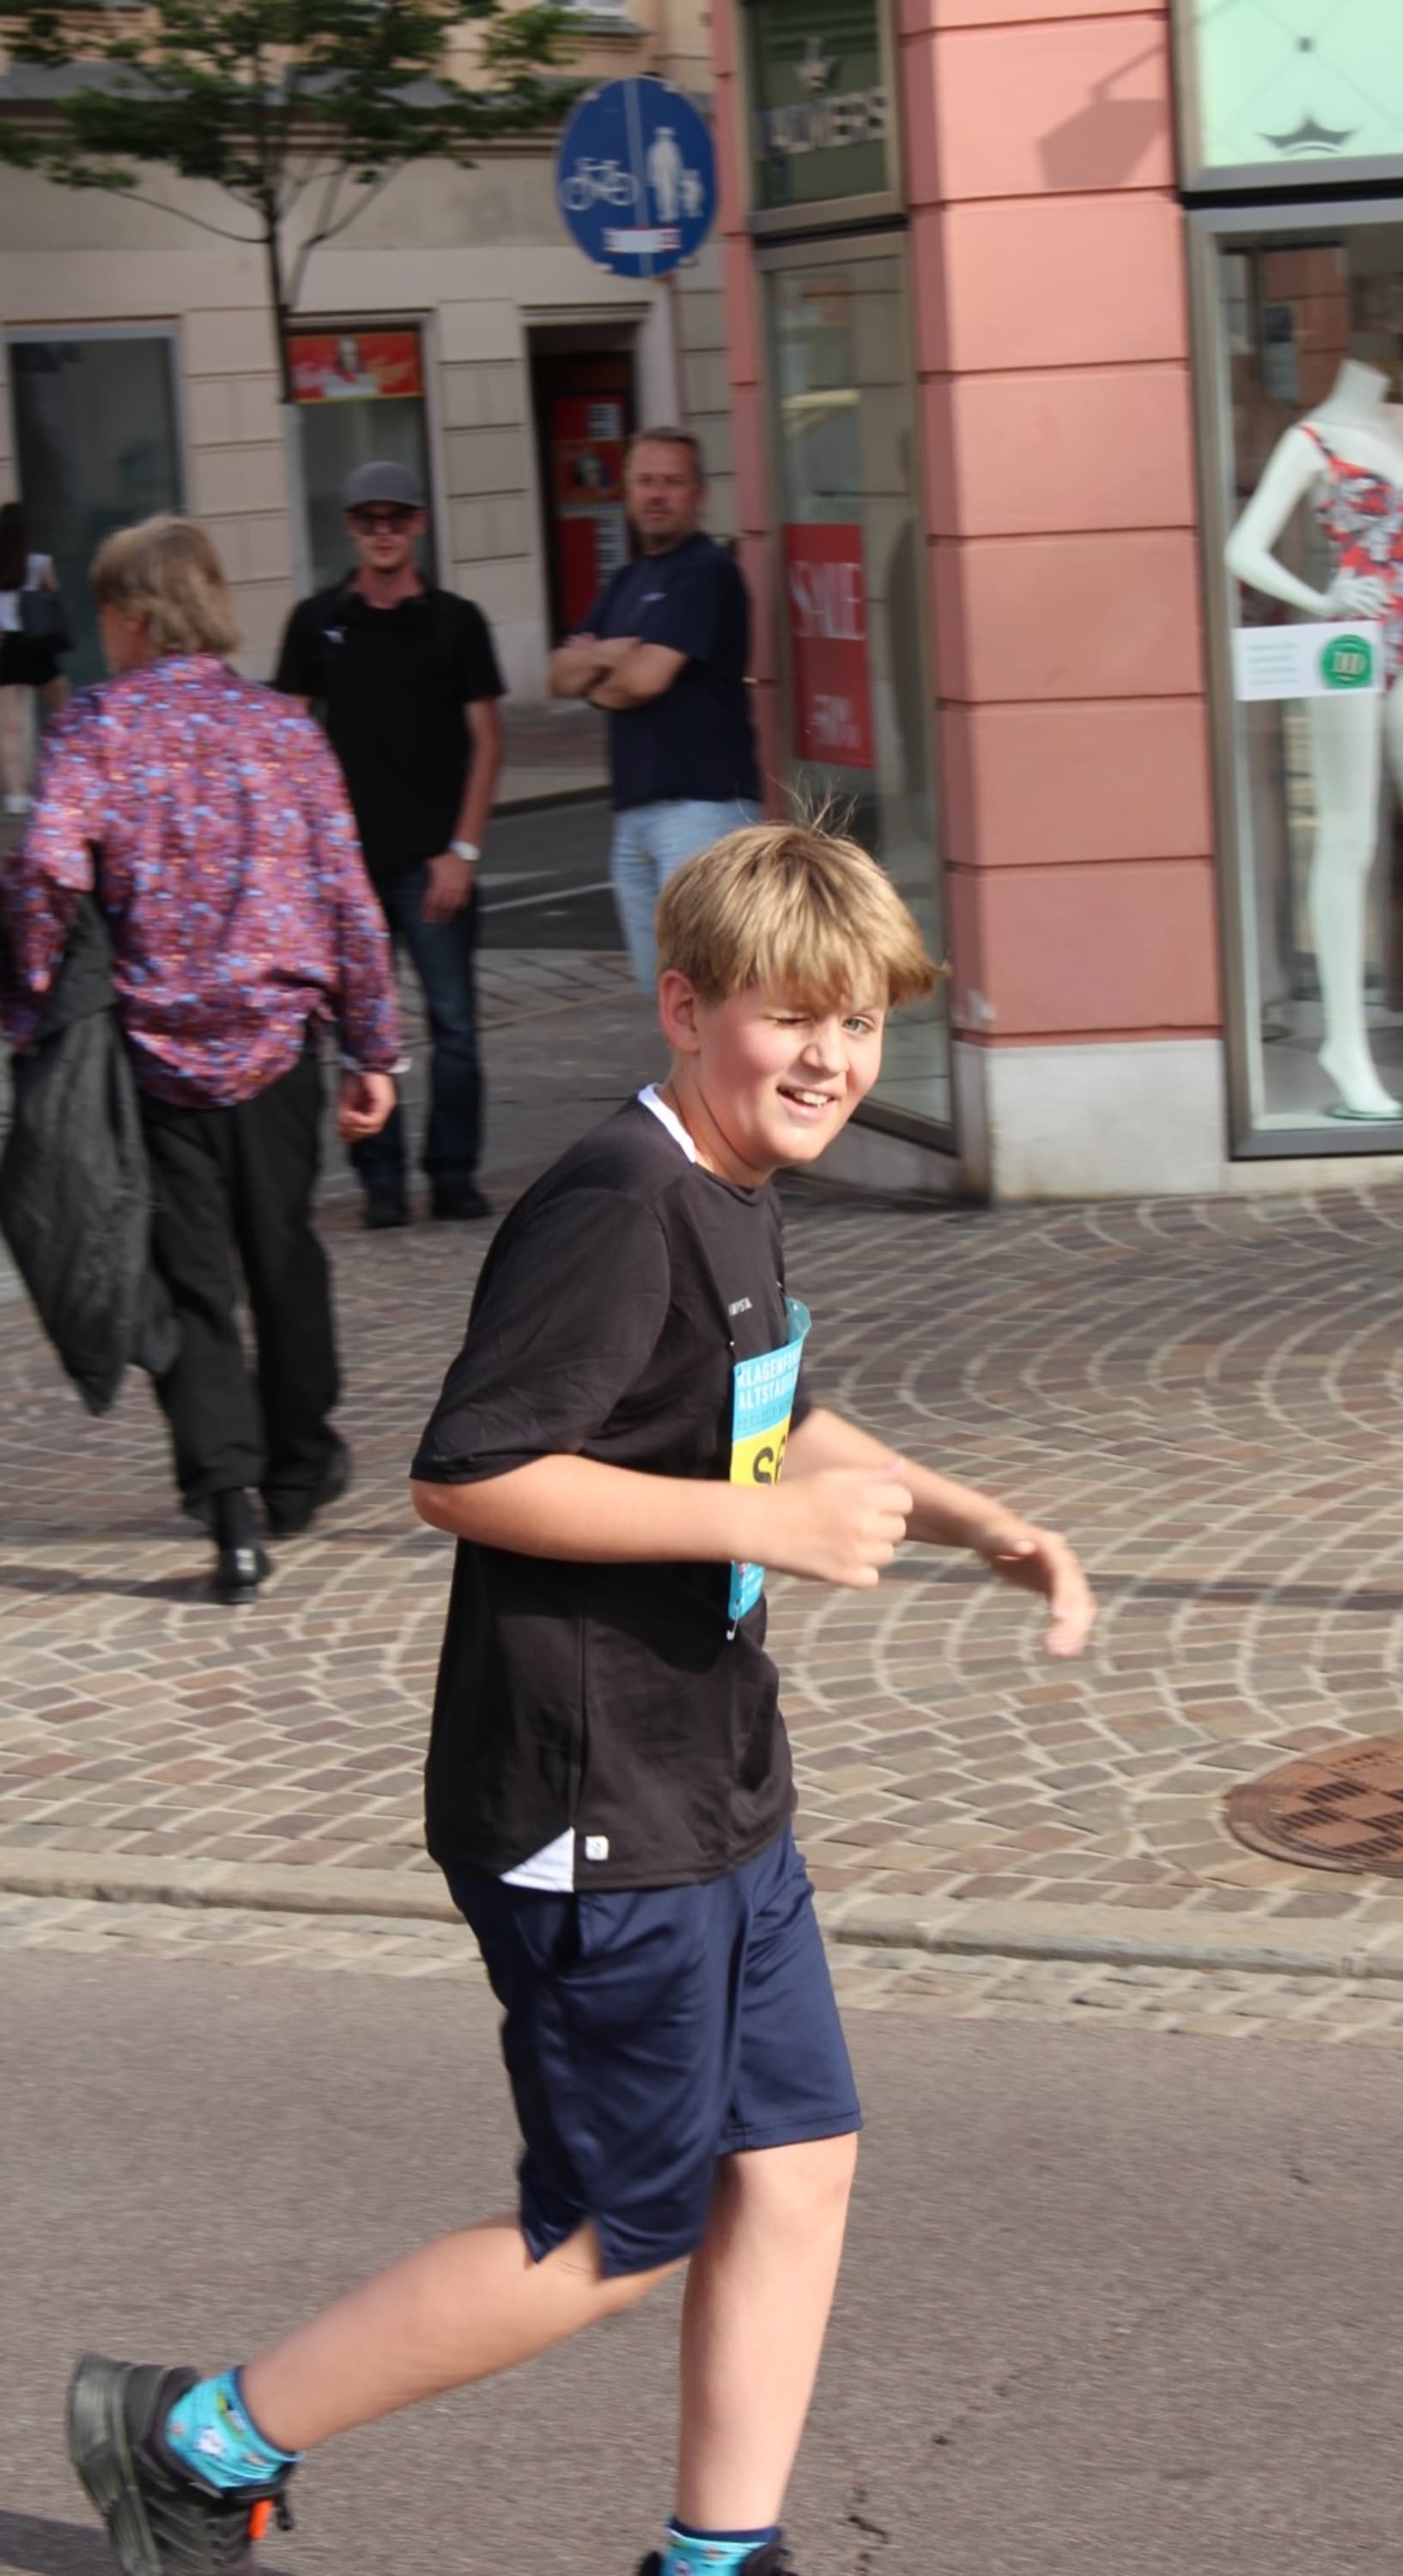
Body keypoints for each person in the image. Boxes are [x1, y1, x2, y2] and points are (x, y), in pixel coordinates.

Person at [64, 818, 1096, 2576]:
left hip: (710, 1779)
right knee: (614, 2229)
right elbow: (469, 1472)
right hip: (589, 1803)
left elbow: (757, 1407)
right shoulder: (621, 1206)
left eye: (859, 1023)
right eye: (792, 1018)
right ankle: (196, 2444)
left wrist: (967, 1515)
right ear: (685, 1008)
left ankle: (719, 2557)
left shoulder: (730, 1187)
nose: (832, 1060)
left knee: (797, 2162)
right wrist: (757, 1524)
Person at [0, 516, 399, 1600]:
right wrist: (372, 1048)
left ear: (134, 615)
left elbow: (47, 869)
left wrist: (32, 996)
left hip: (153, 1053)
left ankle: (228, 1509)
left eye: (106, 609)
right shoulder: (283, 730)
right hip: (276, 1046)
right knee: (284, 1255)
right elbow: (348, 899)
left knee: (190, 1282)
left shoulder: (96, 727)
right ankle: (300, 1469)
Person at [276, 459, 504, 1229]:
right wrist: (310, 857)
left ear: (418, 524)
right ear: (350, 526)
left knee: (454, 1028)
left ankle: (452, 1175)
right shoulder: (316, 622)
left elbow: (487, 740)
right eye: (369, 518)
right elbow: (286, 743)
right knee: (361, 1034)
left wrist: (463, 851)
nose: (383, 531)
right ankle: (380, 1181)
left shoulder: (456, 621)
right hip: (348, 872)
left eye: (396, 517)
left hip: (435, 864)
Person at [550, 428, 762, 989]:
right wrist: (609, 655)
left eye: (672, 481)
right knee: (664, 997)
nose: (657, 494)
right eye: (645, 481)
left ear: (699, 493)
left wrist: (598, 674)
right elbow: (557, 674)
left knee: (709, 989)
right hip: (635, 816)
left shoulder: (706, 571)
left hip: (704, 808)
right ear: (626, 490)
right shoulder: (628, 579)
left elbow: (645, 680)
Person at [0, 500, 71, 814]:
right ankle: (69, 777)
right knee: (66, 711)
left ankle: (15, 795)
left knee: (8, 725)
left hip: (6, 646)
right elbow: (53, 596)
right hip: (36, 643)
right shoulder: (40, 562)